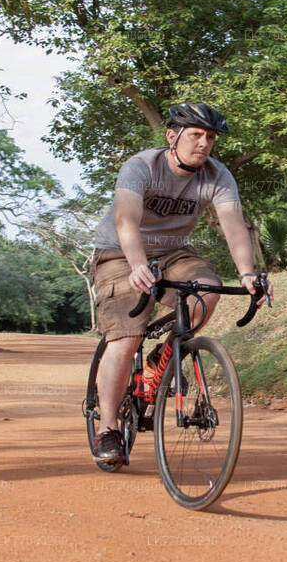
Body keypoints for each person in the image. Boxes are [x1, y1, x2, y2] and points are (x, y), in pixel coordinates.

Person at [87, 102, 264, 462]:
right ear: (172, 136)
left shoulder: (217, 175)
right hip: (120, 253)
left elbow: (234, 227)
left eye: (210, 137)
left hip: (174, 253)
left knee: (206, 292)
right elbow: (126, 222)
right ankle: (108, 428)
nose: (204, 143)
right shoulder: (141, 167)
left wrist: (248, 273)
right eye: (196, 134)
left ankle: (163, 356)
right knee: (127, 336)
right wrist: (138, 265)